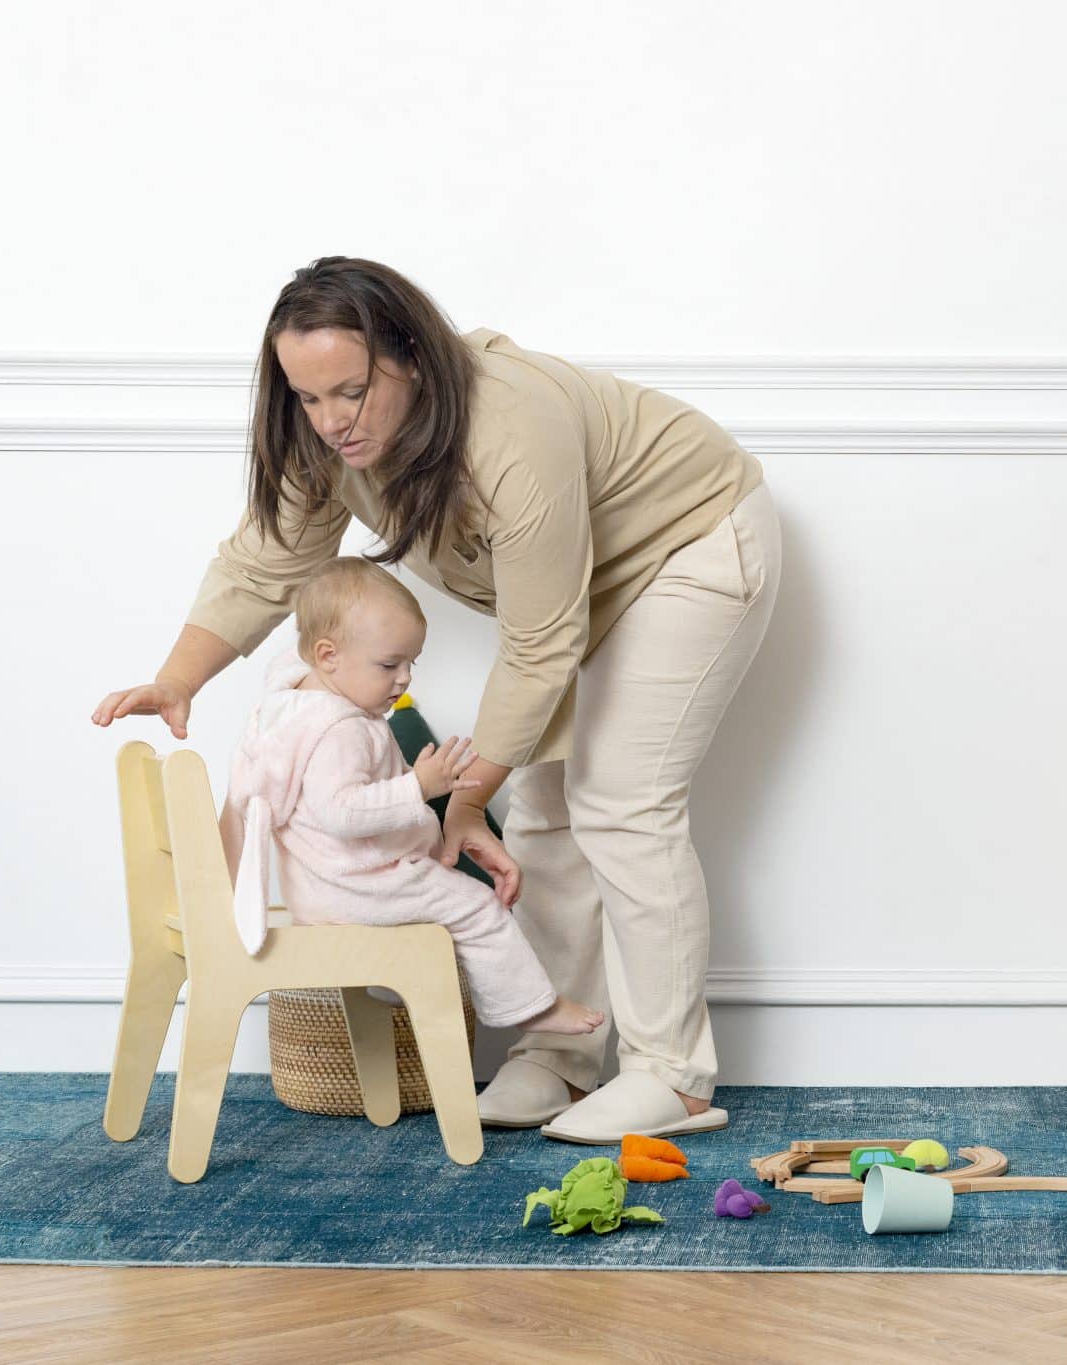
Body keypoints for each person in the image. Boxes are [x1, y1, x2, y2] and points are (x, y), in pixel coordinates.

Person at [92, 256, 781, 1142]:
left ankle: (672, 1077)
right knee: (543, 811)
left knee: (621, 801)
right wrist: (178, 677)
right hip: (578, 585)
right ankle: (559, 1054)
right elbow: (267, 561)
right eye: (307, 397)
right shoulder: (327, 437)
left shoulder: (511, 429)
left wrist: (462, 801)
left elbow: (539, 646)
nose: (330, 421)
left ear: (411, 357)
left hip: (688, 543)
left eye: (351, 391)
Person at [222, 556, 603, 1039]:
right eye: (389, 665)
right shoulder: (338, 730)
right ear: (327, 656)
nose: (404, 679)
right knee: (475, 905)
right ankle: (530, 1007)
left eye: (411, 663)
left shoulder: (294, 706)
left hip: (325, 888)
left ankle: (405, 982)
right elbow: (341, 812)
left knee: (449, 897)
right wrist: (418, 787)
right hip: (359, 887)